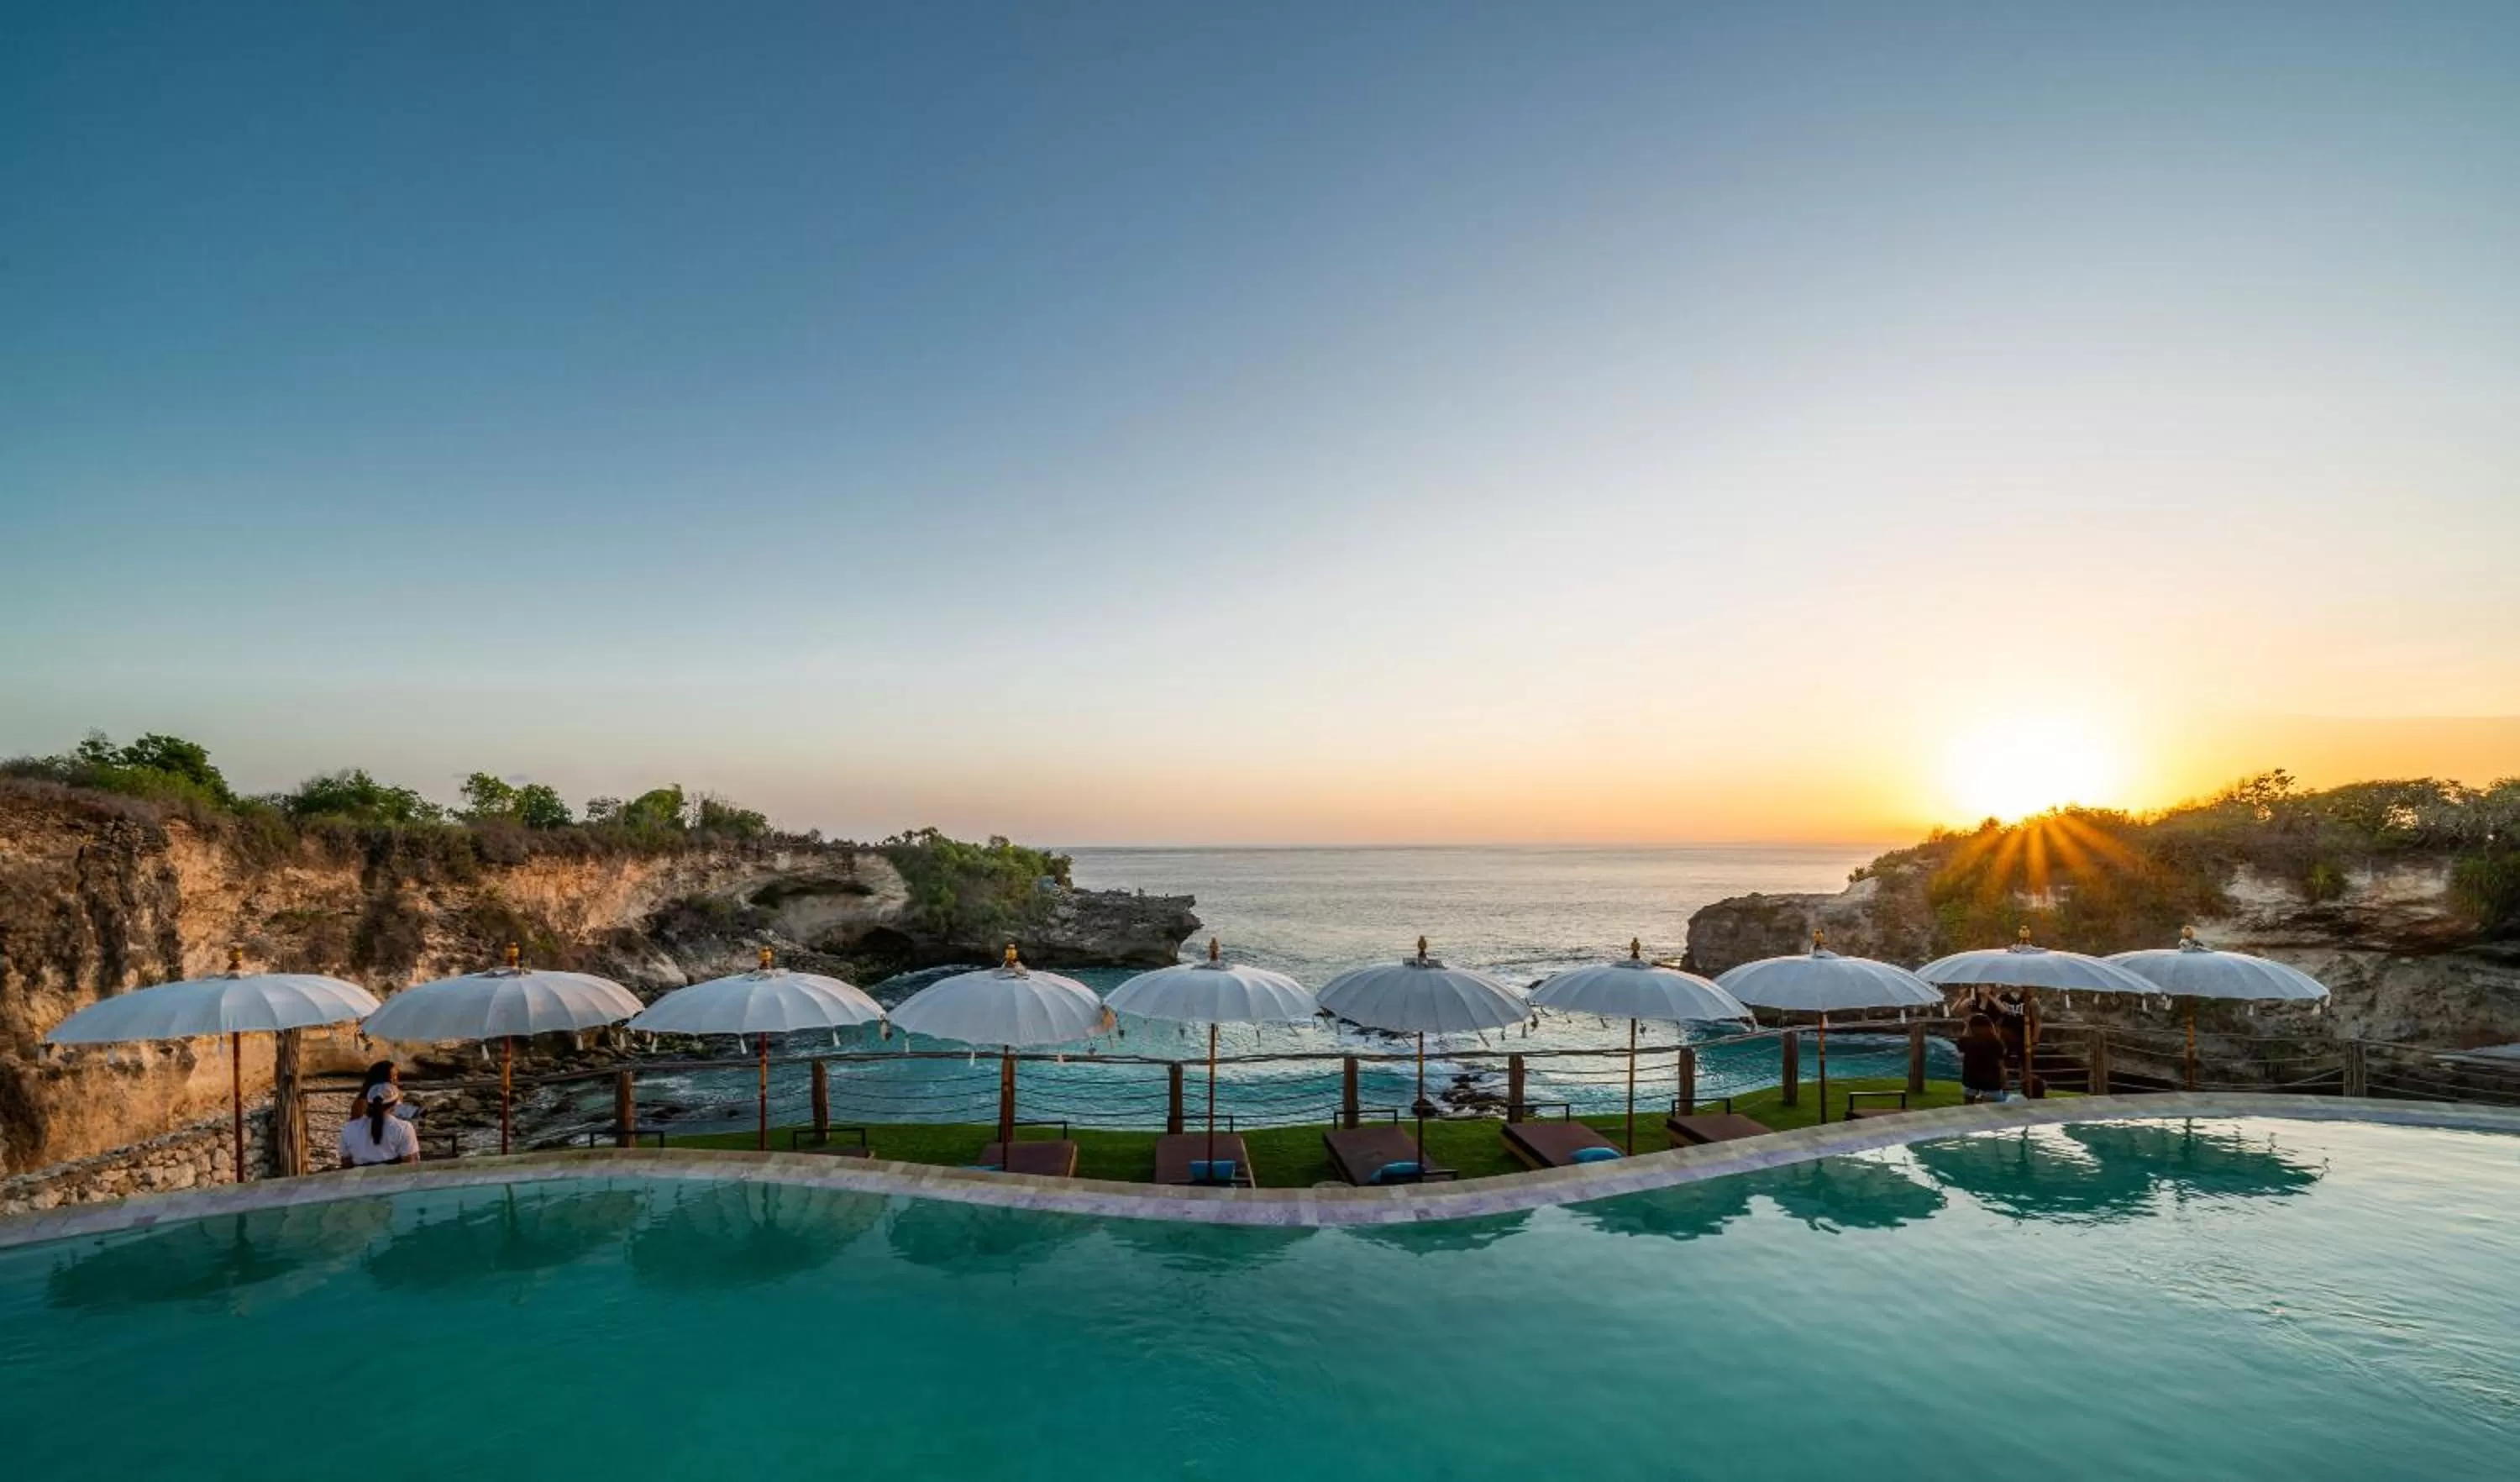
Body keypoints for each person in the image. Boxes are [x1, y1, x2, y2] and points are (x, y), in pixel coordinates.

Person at [339, 1081, 422, 1167]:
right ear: (395, 1105)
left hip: (359, 1174)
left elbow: (346, 1162)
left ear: (368, 1104)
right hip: (392, 1175)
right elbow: (411, 1162)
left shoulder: (349, 1128)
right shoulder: (404, 1128)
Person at [1956, 1012, 2009, 1104]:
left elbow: (1961, 1045)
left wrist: (1967, 1028)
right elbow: (2001, 1063)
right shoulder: (1996, 1042)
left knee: (1968, 1105)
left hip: (1971, 1078)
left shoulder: (1966, 1042)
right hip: (1992, 1080)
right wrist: (2004, 1080)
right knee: (1991, 1107)